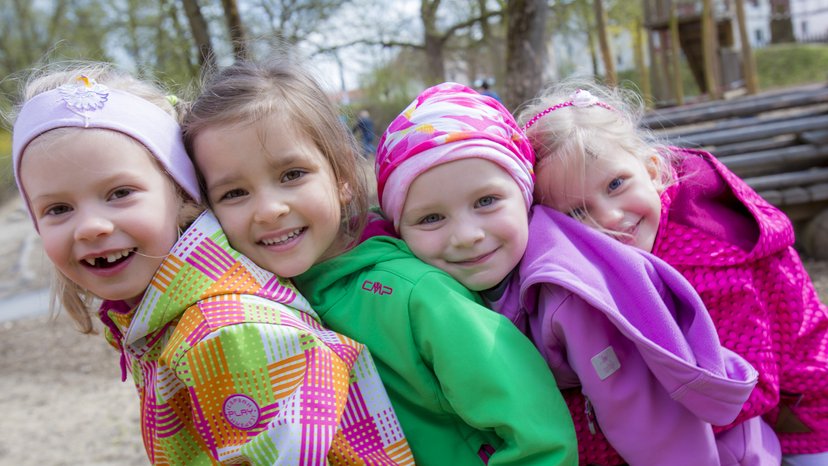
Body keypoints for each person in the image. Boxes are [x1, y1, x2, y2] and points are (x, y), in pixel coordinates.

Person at [184, 55, 578, 465]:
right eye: (234, 193)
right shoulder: (247, 309)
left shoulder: (411, 295)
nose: (268, 209)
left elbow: (540, 437)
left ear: (341, 178)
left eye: (291, 175)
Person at [11, 62, 412, 465]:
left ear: (184, 196)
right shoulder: (166, 320)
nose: (91, 227)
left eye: (120, 193)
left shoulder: (224, 332)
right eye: (58, 208)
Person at [376, 82, 778, 465]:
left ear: (526, 197)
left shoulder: (570, 290)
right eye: (431, 218)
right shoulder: (413, 286)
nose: (467, 235)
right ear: (397, 228)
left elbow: (650, 422)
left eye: (486, 201)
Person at [520, 79, 828, 466]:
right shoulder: (591, 269)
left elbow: (741, 394)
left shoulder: (709, 258)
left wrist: (608, 440)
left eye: (616, 184)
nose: (610, 218)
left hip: (803, 415)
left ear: (652, 170)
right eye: (577, 213)